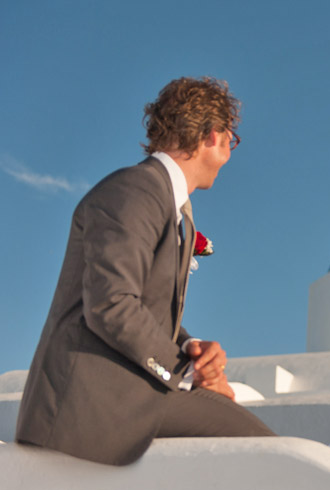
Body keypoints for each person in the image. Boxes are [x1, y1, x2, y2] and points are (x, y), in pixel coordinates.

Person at [15, 77, 275, 466]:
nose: (229, 154)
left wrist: (191, 349)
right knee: (267, 451)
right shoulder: (134, 191)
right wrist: (184, 371)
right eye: (231, 141)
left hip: (127, 395)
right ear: (211, 136)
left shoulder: (164, 203)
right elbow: (111, 305)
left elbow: (137, 305)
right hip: (91, 408)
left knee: (261, 443)